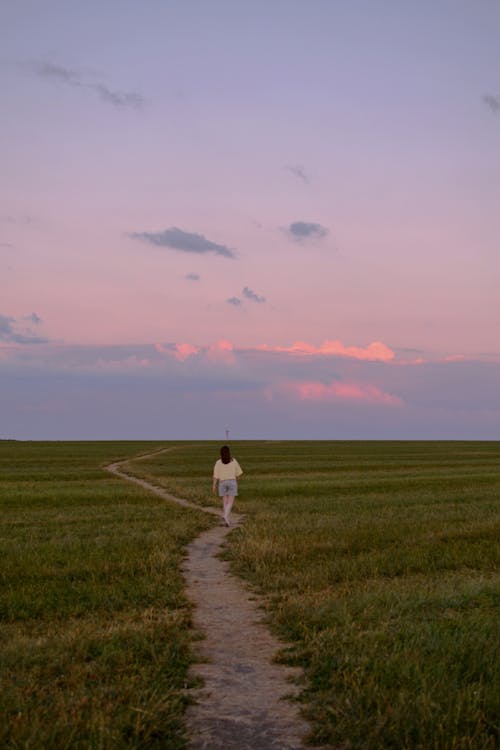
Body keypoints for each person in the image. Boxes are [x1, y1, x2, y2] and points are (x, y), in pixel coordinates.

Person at [212, 445, 243, 527]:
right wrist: (236, 480)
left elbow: (215, 476)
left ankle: (226, 520)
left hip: (222, 482)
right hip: (232, 482)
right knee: (230, 502)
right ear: (229, 453)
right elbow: (239, 474)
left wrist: (214, 486)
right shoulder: (234, 461)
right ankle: (225, 516)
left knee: (225, 501)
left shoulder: (218, 462)